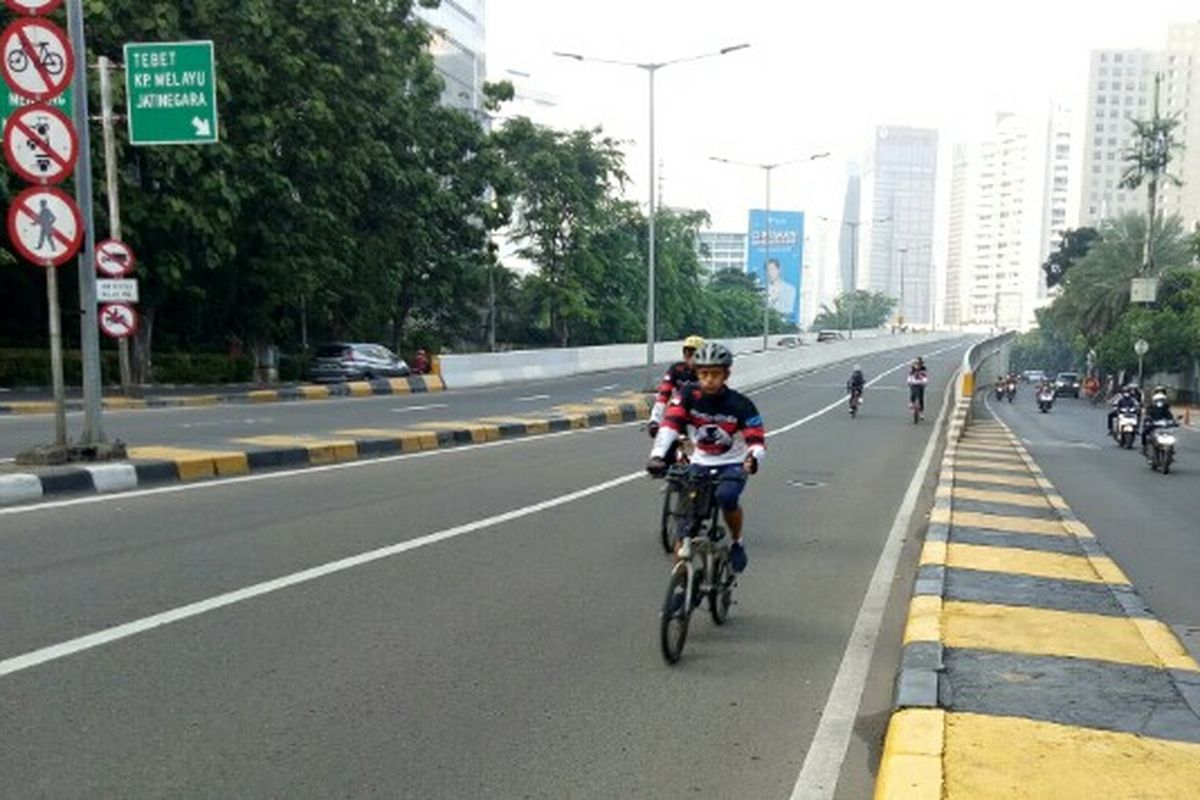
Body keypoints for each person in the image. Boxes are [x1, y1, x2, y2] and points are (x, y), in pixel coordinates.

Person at [646, 342, 765, 573]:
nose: (709, 379)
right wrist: (657, 455)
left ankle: (737, 542)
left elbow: (756, 439)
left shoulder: (741, 404)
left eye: (715, 374)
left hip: (731, 463)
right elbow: (671, 424)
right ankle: (681, 580)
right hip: (700, 461)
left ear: (726, 375)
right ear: (697, 374)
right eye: (704, 374)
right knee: (686, 517)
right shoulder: (688, 395)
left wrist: (753, 457)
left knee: (726, 496)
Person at [648, 335, 704, 439]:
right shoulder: (677, 369)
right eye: (687, 353)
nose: (690, 357)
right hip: (679, 415)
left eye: (694, 354)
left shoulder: (710, 373)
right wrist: (654, 420)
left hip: (702, 419)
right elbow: (663, 394)